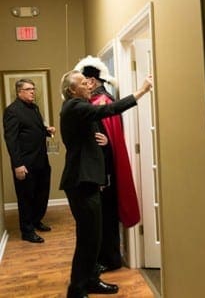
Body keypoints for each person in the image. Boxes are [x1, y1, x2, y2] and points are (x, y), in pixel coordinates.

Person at [59, 69, 152, 298]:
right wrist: (140, 91)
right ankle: (77, 289)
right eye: (83, 82)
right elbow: (108, 109)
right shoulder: (74, 106)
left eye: (89, 80)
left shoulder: (80, 109)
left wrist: (102, 139)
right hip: (80, 183)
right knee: (88, 238)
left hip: (88, 181)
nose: (89, 84)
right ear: (72, 90)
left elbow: (89, 132)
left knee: (94, 237)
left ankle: (91, 280)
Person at [74, 55, 141, 273]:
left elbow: (111, 136)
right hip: (99, 169)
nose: (85, 86)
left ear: (92, 81)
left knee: (106, 217)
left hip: (106, 171)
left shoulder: (104, 101)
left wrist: (108, 142)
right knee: (100, 218)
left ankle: (110, 258)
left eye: (84, 82)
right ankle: (104, 256)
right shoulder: (92, 103)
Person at [3, 78, 56, 243]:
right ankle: (27, 231)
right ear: (19, 92)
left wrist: (47, 131)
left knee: (41, 194)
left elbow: (34, 129)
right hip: (24, 163)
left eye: (33, 88)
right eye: (28, 89)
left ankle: (35, 221)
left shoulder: (34, 108)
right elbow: (11, 140)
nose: (33, 91)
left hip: (41, 160)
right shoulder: (12, 111)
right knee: (26, 197)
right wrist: (17, 165)